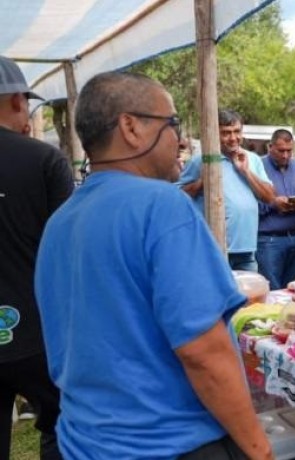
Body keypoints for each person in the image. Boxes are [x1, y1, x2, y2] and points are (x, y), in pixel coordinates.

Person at [34, 71, 272, 459]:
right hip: (168, 444)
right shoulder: (163, 206)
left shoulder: (60, 221)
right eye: (172, 123)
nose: (179, 139)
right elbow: (204, 352)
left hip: (83, 442)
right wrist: (260, 451)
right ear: (130, 127)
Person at [0, 55, 71, 460]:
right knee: (60, 420)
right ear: (15, 100)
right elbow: (65, 248)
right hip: (38, 331)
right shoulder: (43, 159)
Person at [178, 109, 275, 271]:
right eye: (226, 133)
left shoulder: (252, 159)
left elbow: (269, 197)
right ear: (215, 134)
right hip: (213, 249)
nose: (233, 138)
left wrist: (246, 172)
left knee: (249, 296)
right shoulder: (201, 161)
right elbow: (179, 196)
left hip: (247, 251)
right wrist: (203, 181)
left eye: (237, 132)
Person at [257, 129, 295, 290]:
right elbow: (251, 202)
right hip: (270, 240)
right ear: (270, 147)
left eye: (289, 151)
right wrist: (274, 203)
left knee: (293, 287)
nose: (286, 155)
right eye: (281, 151)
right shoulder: (258, 167)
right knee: (272, 288)